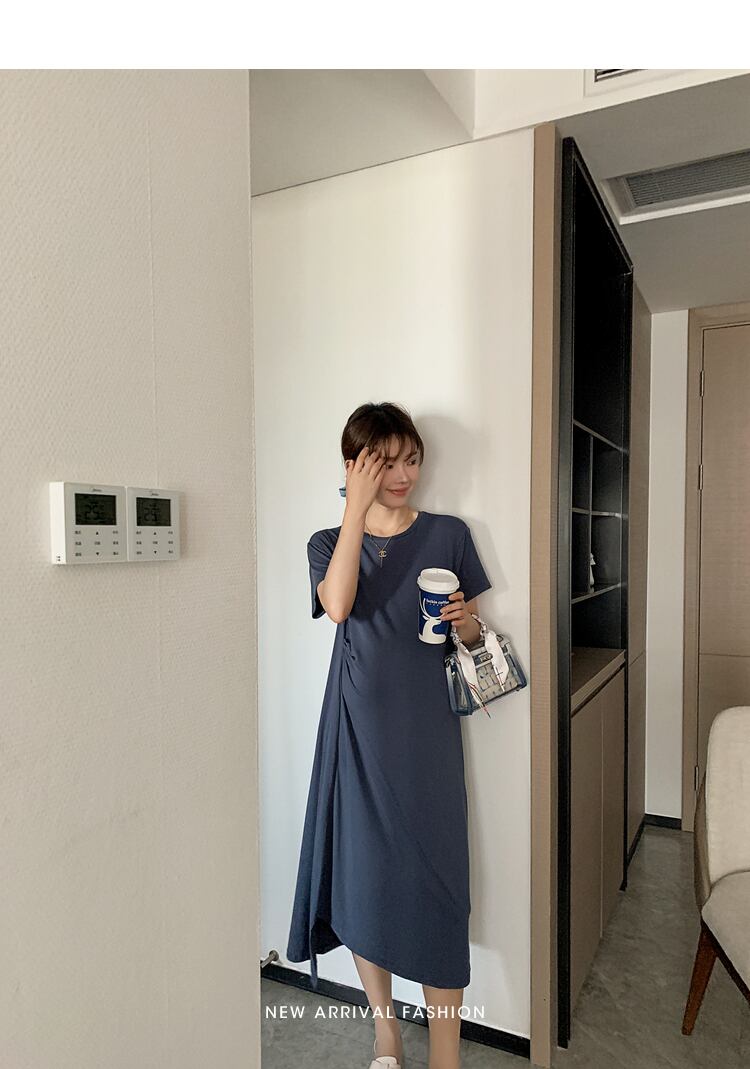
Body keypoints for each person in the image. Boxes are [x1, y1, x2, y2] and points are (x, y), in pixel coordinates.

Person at [286, 402, 493, 1069]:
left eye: (412, 460)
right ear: (355, 466)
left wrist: (464, 621)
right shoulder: (327, 541)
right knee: (364, 884)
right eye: (386, 463)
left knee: (439, 887)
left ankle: (445, 1052)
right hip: (356, 736)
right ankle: (385, 1034)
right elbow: (339, 605)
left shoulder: (449, 534)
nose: (403, 475)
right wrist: (356, 509)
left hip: (428, 736)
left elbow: (473, 636)